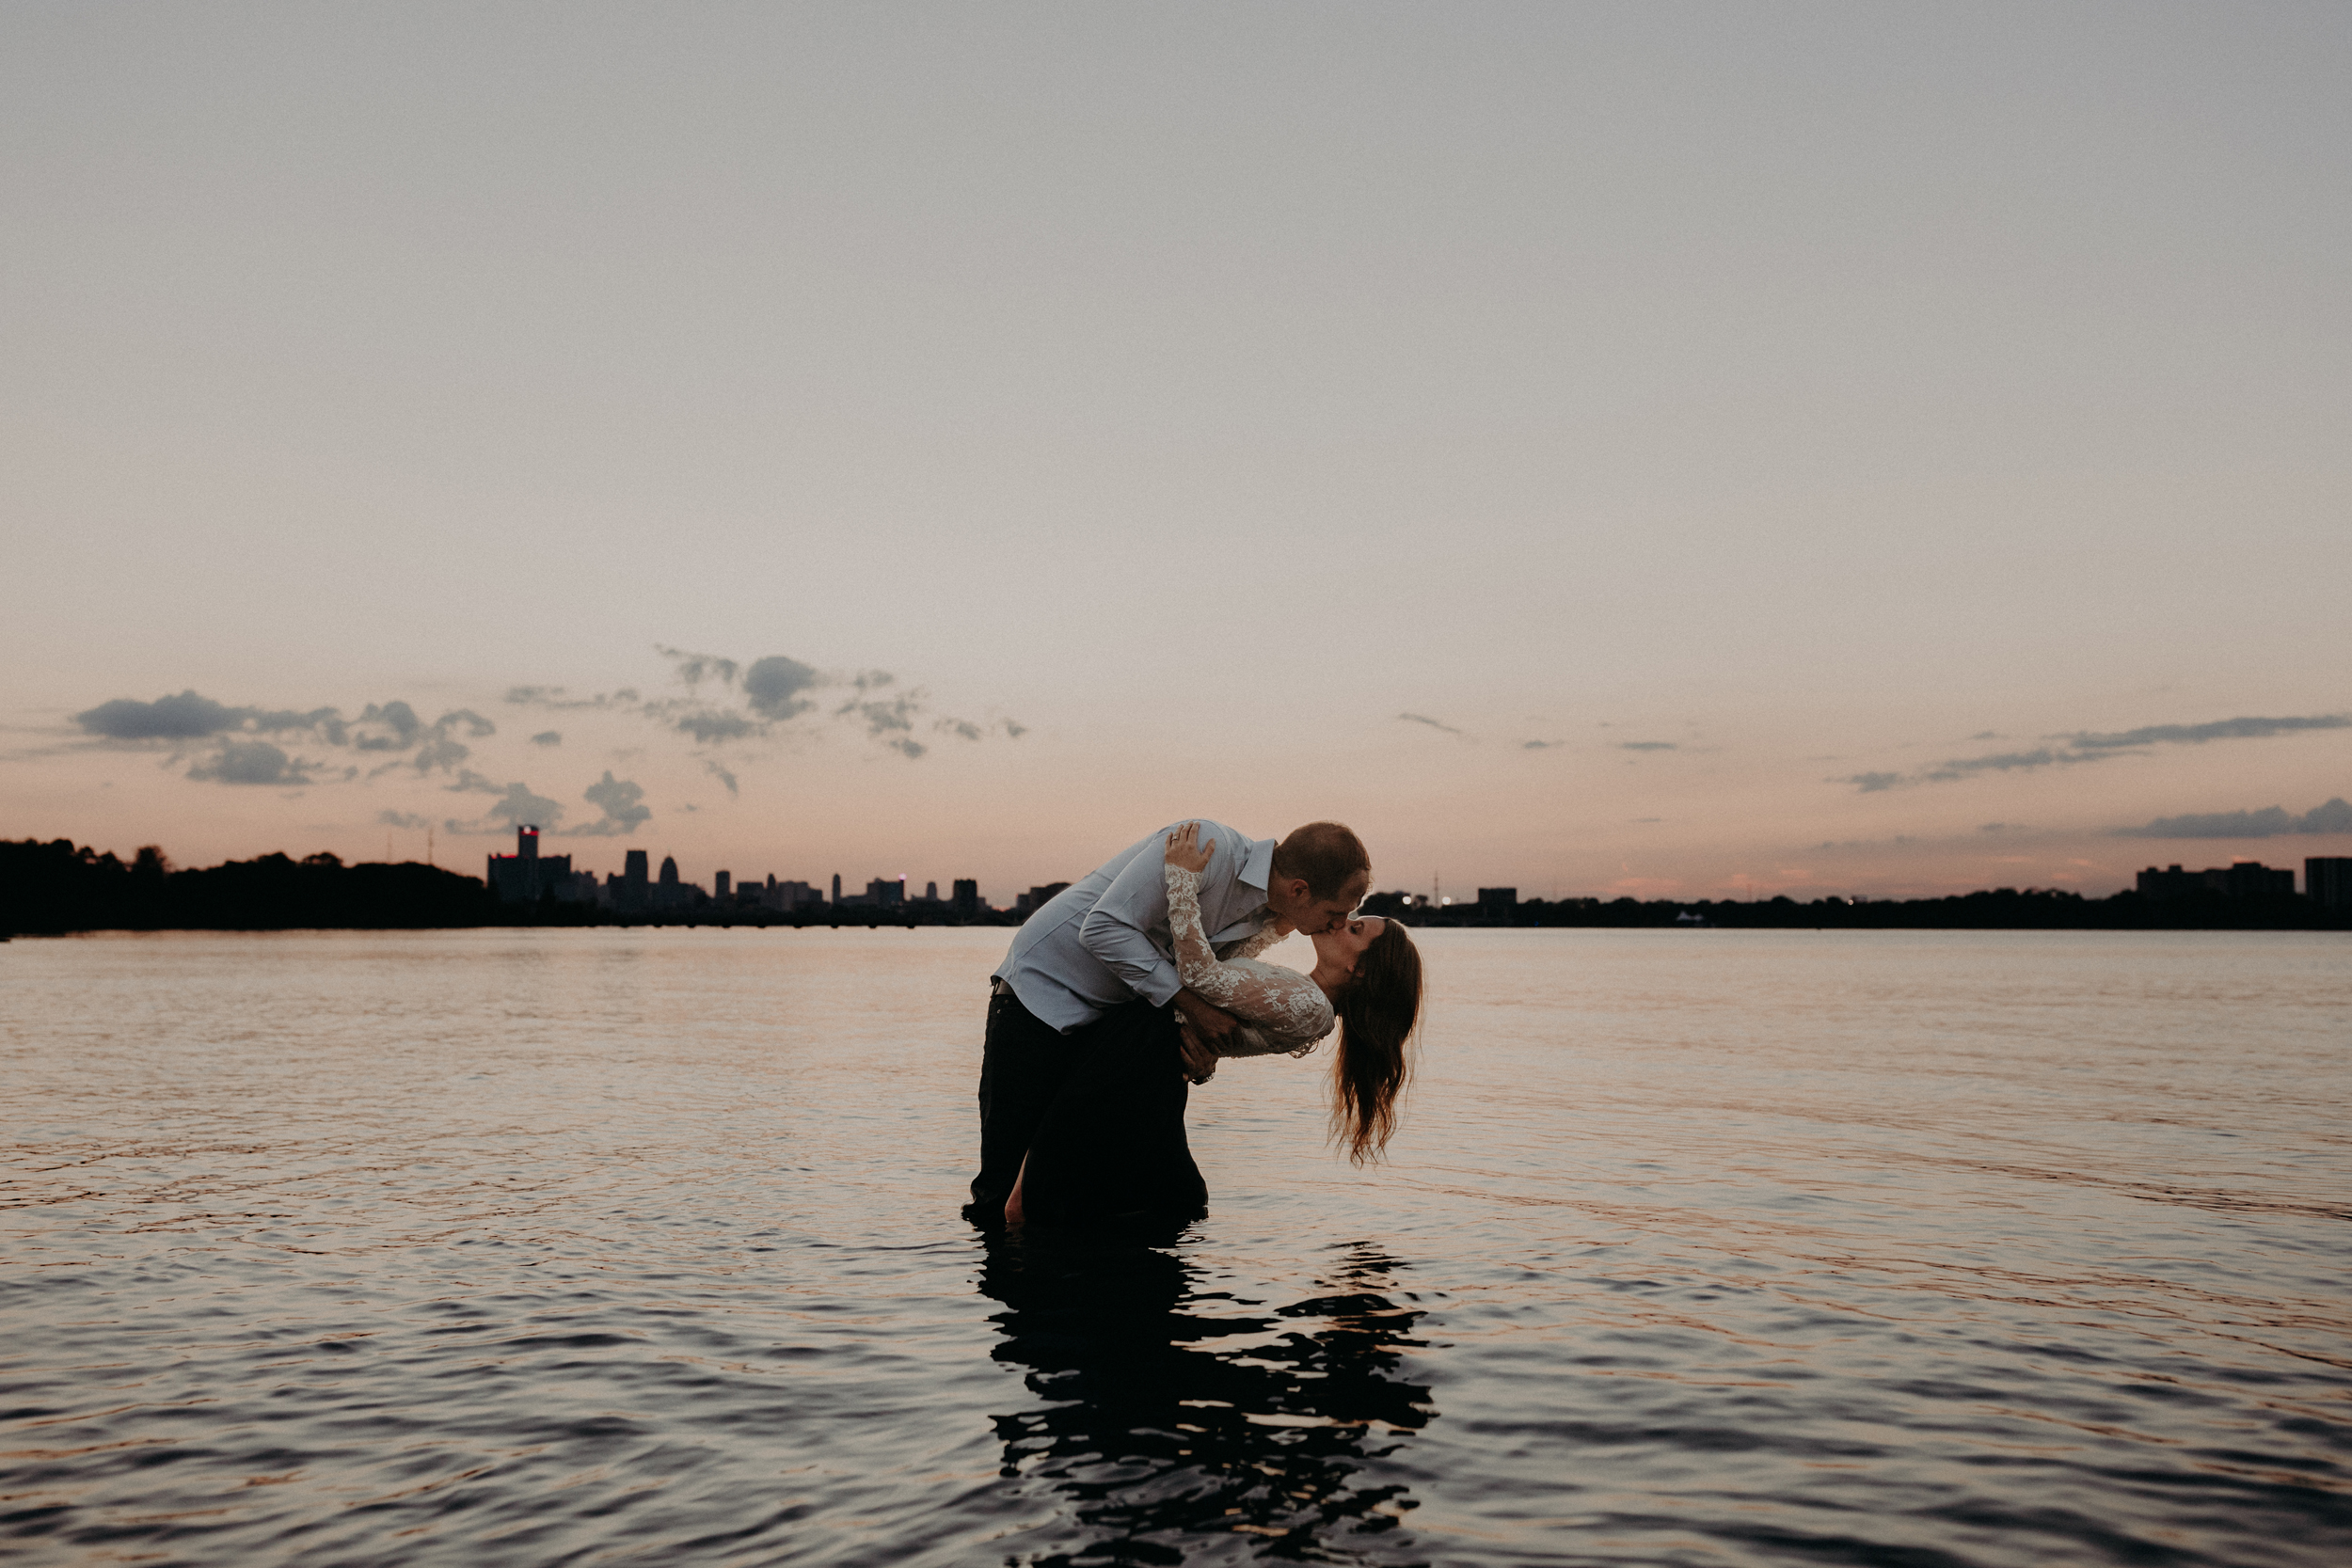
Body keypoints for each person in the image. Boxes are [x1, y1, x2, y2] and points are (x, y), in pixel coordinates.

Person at [998, 823, 1425, 1228]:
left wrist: (1182, 880)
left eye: (1350, 926)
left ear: (1359, 970)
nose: (1336, 924)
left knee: (1054, 1184)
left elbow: (1202, 977)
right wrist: (1203, 1046)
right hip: (1106, 1029)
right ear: (1300, 891)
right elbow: (1219, 984)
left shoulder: (1309, 1005)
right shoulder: (1218, 856)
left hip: (1137, 1047)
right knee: (1075, 1188)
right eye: (1340, 915)